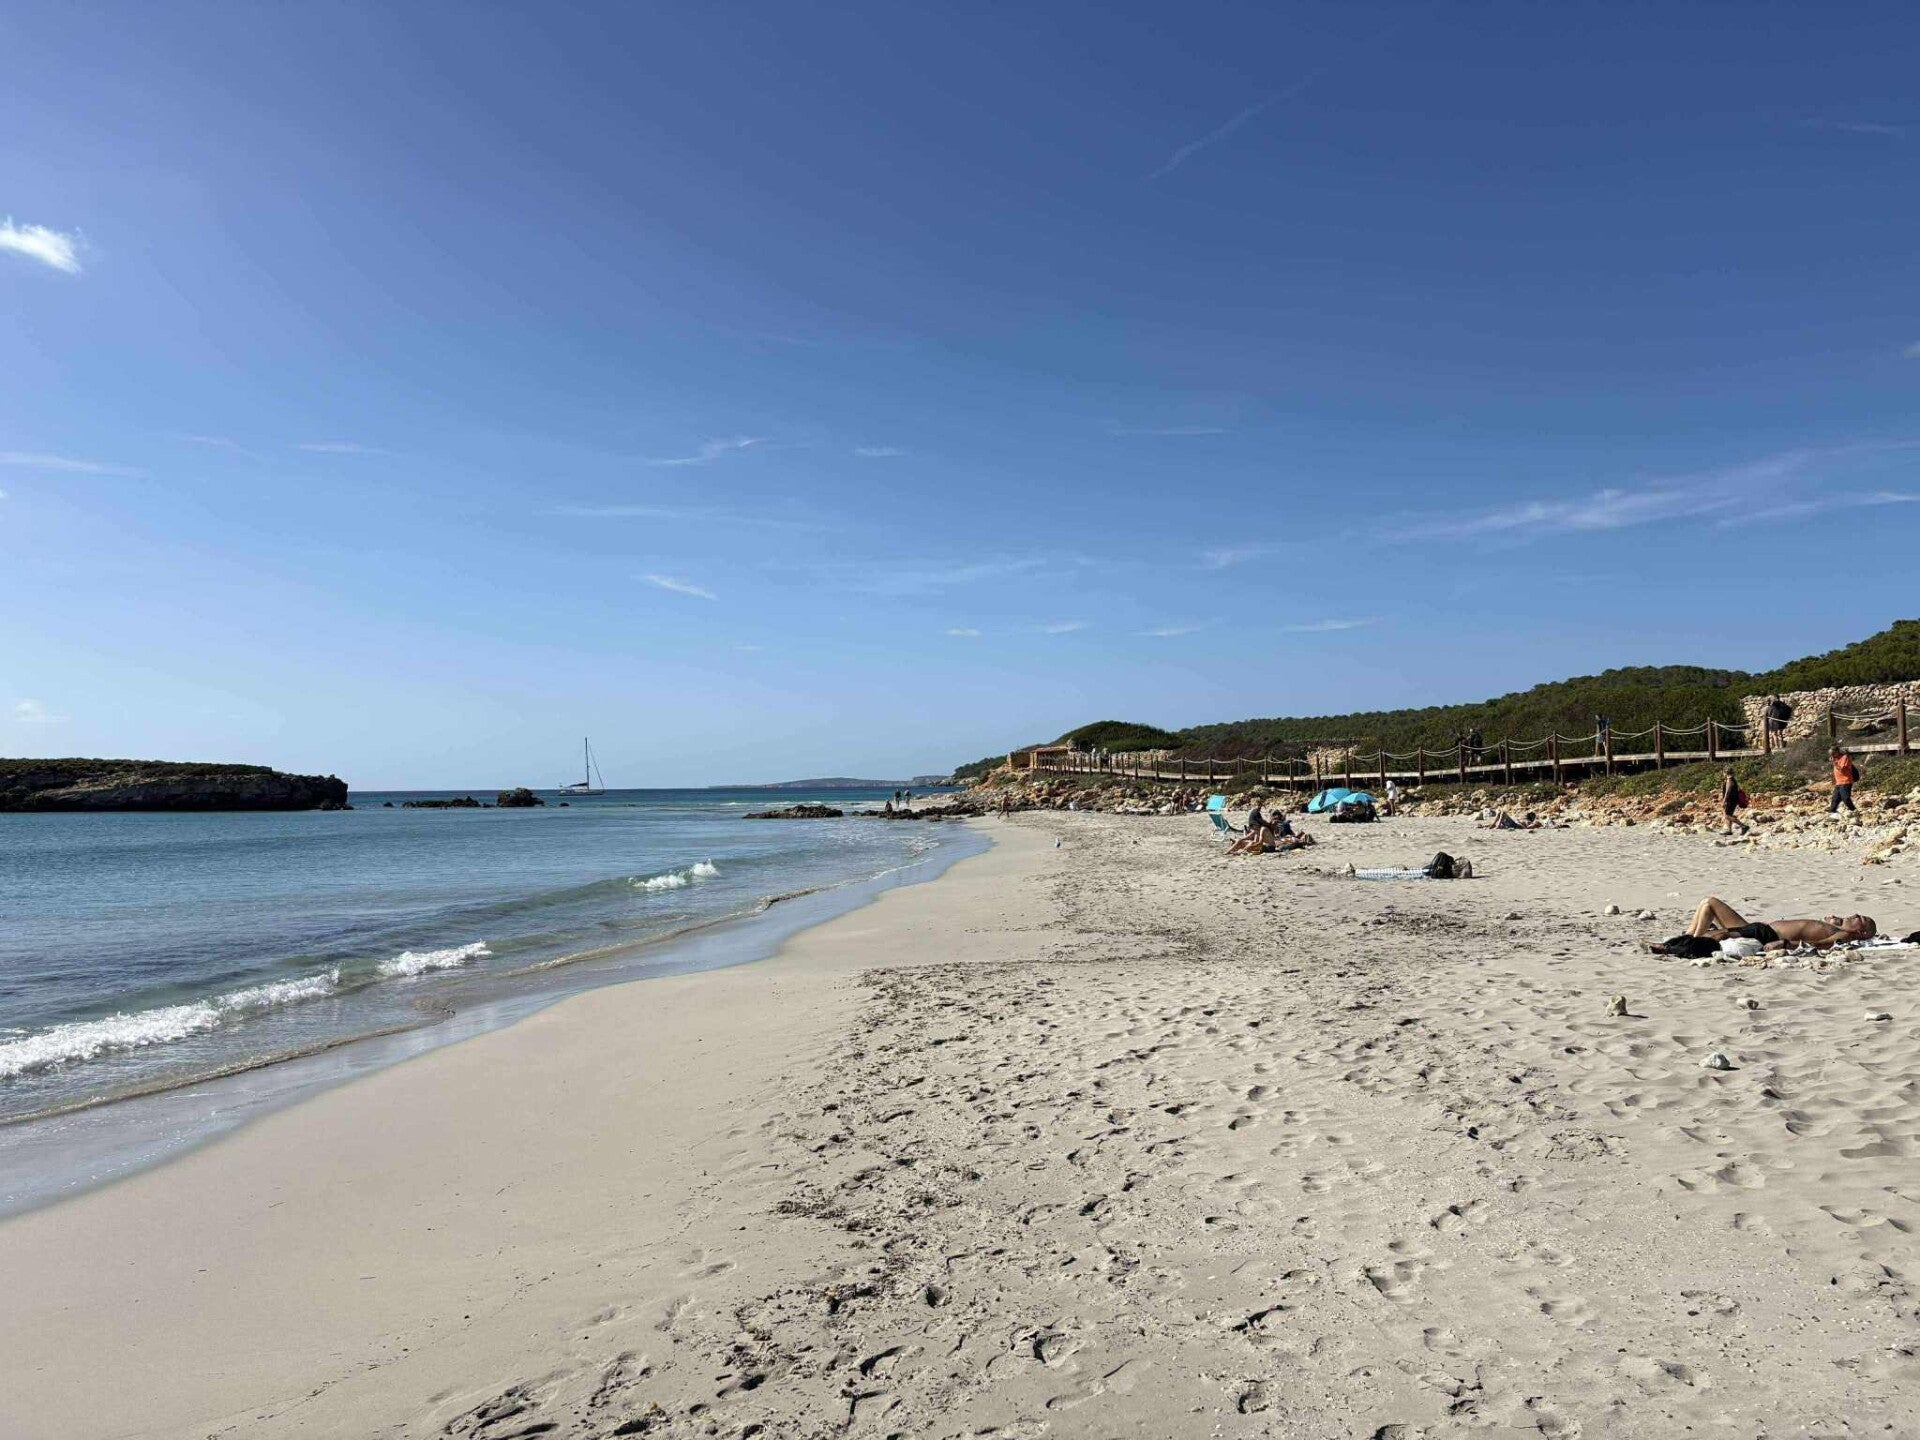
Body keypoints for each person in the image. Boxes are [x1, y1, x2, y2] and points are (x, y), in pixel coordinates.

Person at [1655, 898, 1876, 954]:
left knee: (1711, 908)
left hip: (1766, 934)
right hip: (1760, 928)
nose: (1856, 914)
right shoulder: (1838, 928)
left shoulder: (1844, 937)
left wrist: (1786, 943)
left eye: (1861, 918)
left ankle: (1679, 945)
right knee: (1707, 905)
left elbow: (1821, 945)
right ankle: (1681, 941)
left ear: (1862, 932)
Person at [1719, 767, 1750, 836]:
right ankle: (1729, 830)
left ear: (1725, 773)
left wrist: (1724, 800)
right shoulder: (1733, 780)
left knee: (1727, 815)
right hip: (1734, 800)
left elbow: (1727, 791)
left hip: (1730, 800)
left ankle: (1743, 826)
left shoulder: (1729, 780)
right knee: (1729, 814)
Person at [1830, 747, 1859, 814]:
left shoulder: (1844, 758)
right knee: (1835, 799)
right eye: (1831, 754)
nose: (1832, 756)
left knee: (1845, 798)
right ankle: (1832, 811)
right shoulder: (1835, 759)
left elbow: (1842, 769)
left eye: (1833, 754)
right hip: (1838, 782)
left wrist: (1834, 763)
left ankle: (1854, 810)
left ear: (1837, 752)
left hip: (1846, 781)